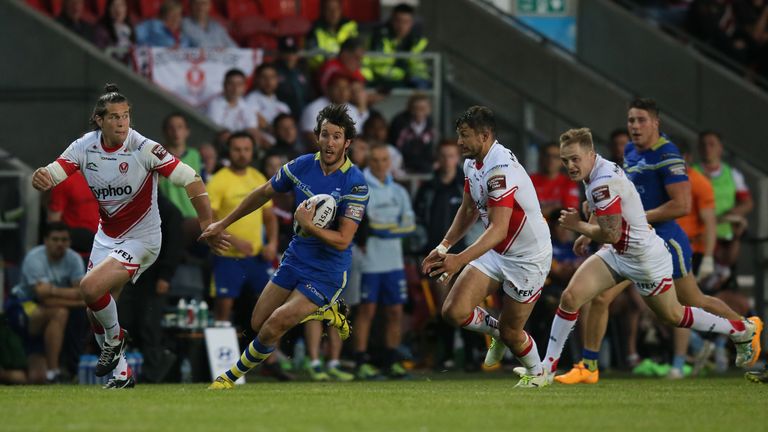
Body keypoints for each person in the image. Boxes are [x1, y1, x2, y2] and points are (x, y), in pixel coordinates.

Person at [31, 84, 227, 389]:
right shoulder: (84, 146)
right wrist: (41, 177)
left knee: (89, 288)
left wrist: (207, 223)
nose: (122, 122)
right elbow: (53, 173)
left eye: (125, 116)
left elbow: (191, 179)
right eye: (114, 117)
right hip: (106, 236)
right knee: (94, 309)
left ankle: (116, 338)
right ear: (99, 120)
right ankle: (121, 374)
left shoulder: (143, 147)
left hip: (143, 239)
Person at [539, 127, 761, 385]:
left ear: (590, 154)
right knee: (571, 296)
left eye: (574, 159)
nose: (569, 165)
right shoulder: (597, 169)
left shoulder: (603, 181)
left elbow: (611, 232)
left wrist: (579, 226)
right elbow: (605, 213)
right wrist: (587, 231)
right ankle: (550, 369)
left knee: (674, 315)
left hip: (644, 257)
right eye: (565, 160)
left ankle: (741, 329)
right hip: (619, 252)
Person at [205, 104, 368, 389]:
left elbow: (343, 240)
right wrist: (222, 223)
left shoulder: (355, 183)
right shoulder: (301, 165)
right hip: (295, 258)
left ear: (347, 142)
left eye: (337, 136)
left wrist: (309, 225)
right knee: (259, 322)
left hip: (327, 271)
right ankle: (325, 312)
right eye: (325, 135)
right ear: (317, 136)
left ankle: (229, 377)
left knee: (275, 324)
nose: (330, 142)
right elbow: (262, 193)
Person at [421, 106, 553, 388]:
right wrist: (444, 247)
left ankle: (538, 372)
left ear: (484, 135)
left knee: (512, 332)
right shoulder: (472, 163)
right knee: (453, 311)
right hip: (498, 250)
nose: (459, 143)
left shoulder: (500, 169)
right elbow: (468, 210)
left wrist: (459, 260)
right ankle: (496, 333)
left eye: (464, 136)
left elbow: (498, 229)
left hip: (527, 257)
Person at [353, 143, 415, 379]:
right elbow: (368, 226)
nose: (380, 164)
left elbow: (409, 225)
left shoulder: (399, 191)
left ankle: (390, 361)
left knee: (395, 312)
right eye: (376, 160)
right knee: (366, 311)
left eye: (384, 160)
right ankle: (360, 361)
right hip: (368, 261)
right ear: (369, 161)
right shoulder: (361, 188)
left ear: (390, 162)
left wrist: (384, 228)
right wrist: (391, 226)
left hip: (394, 261)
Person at [207, 132, 278, 327]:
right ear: (228, 152)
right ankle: (223, 355)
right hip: (227, 255)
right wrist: (235, 241)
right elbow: (209, 219)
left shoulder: (258, 177)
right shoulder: (218, 180)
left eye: (246, 149)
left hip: (257, 257)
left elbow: (270, 217)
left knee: (270, 310)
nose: (242, 154)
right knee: (223, 312)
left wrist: (272, 243)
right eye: (237, 149)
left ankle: (270, 356)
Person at [117, 194, 182, 385]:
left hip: (154, 277)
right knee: (125, 320)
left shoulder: (168, 210)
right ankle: (128, 370)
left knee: (149, 325)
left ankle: (153, 372)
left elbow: (174, 246)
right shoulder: (131, 205)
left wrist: (166, 275)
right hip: (130, 272)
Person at [10, 223, 85, 384]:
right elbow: (42, 297)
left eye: (64, 240)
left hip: (54, 308)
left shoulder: (74, 258)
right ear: (46, 241)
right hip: (23, 304)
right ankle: (54, 371)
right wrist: (74, 297)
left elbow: (81, 294)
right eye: (55, 239)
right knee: (61, 312)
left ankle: (56, 371)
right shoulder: (34, 258)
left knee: (37, 378)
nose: (60, 244)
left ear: (69, 242)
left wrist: (51, 290)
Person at [694, 131, 754, 283]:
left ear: (720, 148)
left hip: (724, 238)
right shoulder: (691, 173)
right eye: (703, 145)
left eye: (712, 144)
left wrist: (729, 215)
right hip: (699, 238)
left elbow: (747, 203)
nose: (707, 148)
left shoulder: (732, 174)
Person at [367, 3, 430, 89]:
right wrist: (403, 75)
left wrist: (412, 76)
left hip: (409, 81)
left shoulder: (418, 41)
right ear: (392, 20)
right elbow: (379, 67)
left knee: (423, 85)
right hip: (382, 81)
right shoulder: (379, 37)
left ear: (412, 23)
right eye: (398, 21)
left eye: (406, 22)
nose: (401, 26)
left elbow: (419, 68)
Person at [388, 93, 437, 174]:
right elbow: (394, 146)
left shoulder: (431, 124)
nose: (419, 111)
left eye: (423, 108)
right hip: (402, 164)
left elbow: (431, 148)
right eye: (416, 108)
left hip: (424, 165)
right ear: (410, 108)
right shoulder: (399, 122)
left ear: (429, 109)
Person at [530, 142, 581, 219]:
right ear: (541, 157)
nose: (551, 160)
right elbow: (526, 211)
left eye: (555, 157)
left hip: (559, 226)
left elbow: (570, 212)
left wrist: (541, 210)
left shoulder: (569, 183)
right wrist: (556, 208)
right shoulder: (529, 180)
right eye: (548, 156)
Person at [305, 0, 358, 70]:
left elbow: (357, 49)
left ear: (341, 10)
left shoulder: (350, 26)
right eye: (329, 9)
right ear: (323, 11)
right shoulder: (314, 30)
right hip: (325, 69)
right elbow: (315, 58)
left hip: (349, 68)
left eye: (336, 9)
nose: (333, 13)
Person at [207, 69, 261, 134]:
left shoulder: (249, 107)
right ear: (224, 85)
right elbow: (214, 129)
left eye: (239, 84)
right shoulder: (214, 104)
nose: (235, 88)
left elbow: (252, 130)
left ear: (245, 87)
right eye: (231, 84)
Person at [274, 36, 313, 118]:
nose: (290, 56)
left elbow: (309, 93)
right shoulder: (274, 70)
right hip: (283, 116)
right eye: (286, 52)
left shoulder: (304, 69)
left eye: (293, 52)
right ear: (280, 53)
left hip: (304, 113)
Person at [244, 63, 291, 128]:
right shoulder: (250, 99)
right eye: (264, 77)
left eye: (272, 77)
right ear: (256, 79)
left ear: (277, 79)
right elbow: (258, 122)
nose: (268, 81)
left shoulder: (283, 105)